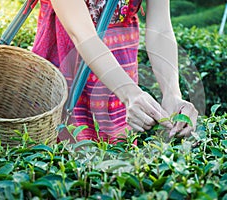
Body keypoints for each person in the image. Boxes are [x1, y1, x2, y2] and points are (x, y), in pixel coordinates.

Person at [32, 0, 198, 143]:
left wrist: (172, 94)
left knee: (112, 162)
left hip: (119, 84)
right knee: (59, 159)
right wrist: (130, 93)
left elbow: (160, 30)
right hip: (68, 75)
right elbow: (82, 33)